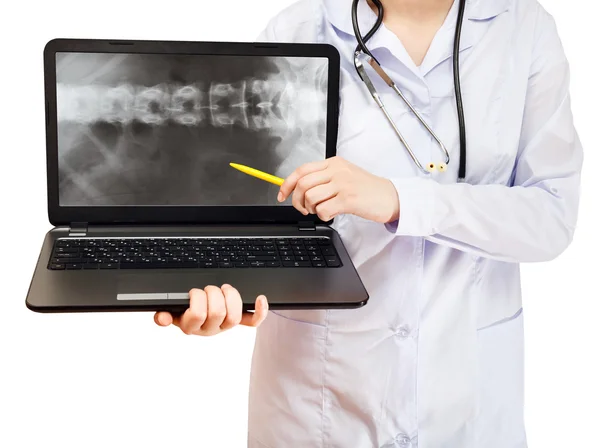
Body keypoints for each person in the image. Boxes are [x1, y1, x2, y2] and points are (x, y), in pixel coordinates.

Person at [154, 0, 583, 446]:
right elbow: (258, 205)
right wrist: (221, 289)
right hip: (316, 408)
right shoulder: (299, 29)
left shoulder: (525, 29)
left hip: (467, 407)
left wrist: (399, 199)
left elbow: (551, 217)